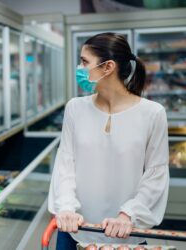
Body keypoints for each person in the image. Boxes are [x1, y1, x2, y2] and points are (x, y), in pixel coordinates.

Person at [48, 32, 169, 249]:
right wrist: (66, 207)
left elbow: (156, 174)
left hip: (126, 232)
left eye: (84, 62)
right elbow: (65, 164)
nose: (79, 68)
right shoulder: (75, 108)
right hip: (75, 229)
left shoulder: (152, 114)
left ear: (108, 67)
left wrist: (128, 214)